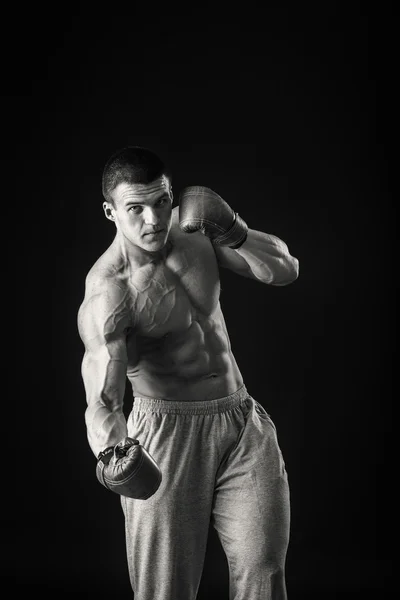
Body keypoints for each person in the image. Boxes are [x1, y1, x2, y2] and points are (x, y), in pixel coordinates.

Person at [77, 146, 299, 600]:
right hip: (166, 434)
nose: (153, 220)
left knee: (264, 572)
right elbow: (102, 401)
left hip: (241, 423)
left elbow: (285, 270)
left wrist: (233, 228)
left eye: (161, 202)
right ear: (110, 211)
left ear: (172, 195)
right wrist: (114, 450)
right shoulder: (109, 291)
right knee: (166, 590)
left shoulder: (196, 230)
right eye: (135, 209)